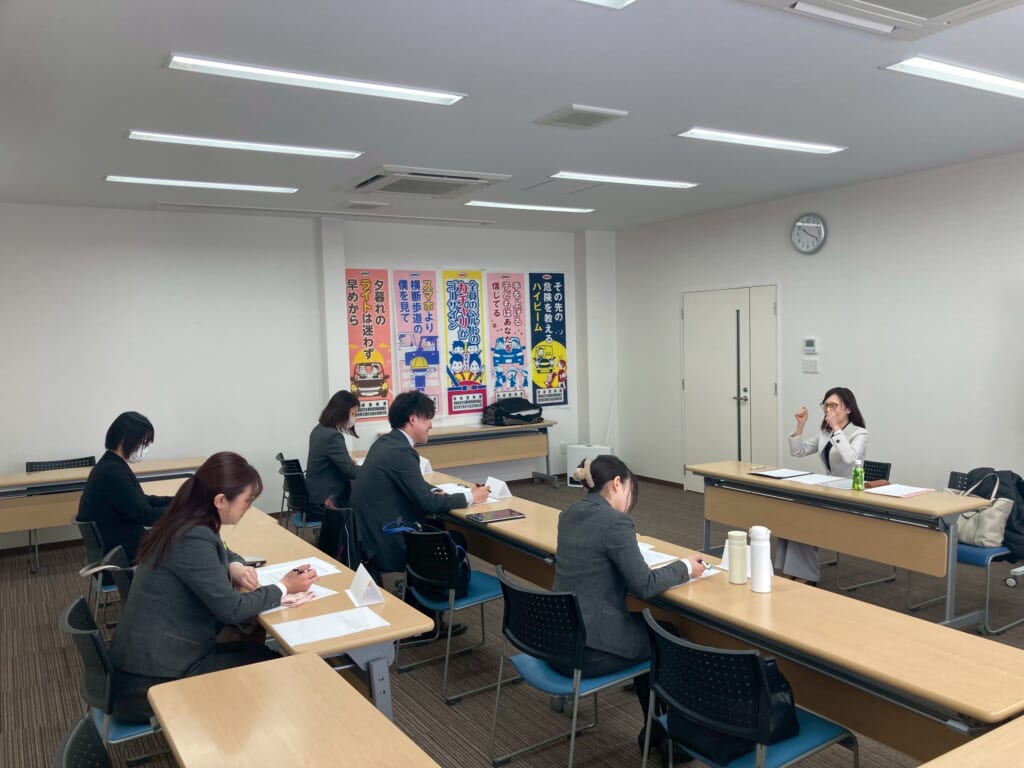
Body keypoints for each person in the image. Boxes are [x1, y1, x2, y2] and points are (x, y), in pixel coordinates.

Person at [108, 452, 318, 723]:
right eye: (247, 501)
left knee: (254, 646)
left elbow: (222, 551)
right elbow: (232, 609)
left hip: (149, 660)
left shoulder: (187, 520)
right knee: (271, 663)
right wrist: (284, 586)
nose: (249, 507)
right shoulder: (193, 536)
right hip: (151, 682)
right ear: (220, 500)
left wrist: (235, 566)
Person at [551, 454, 706, 762]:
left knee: (647, 631)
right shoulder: (616, 522)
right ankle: (666, 736)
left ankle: (655, 729)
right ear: (617, 483)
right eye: (629, 489)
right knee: (665, 634)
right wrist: (686, 567)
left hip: (557, 640)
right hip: (588, 650)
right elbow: (644, 585)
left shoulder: (569, 513)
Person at [350, 391, 488, 579]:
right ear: (413, 419)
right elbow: (428, 504)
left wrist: (434, 489)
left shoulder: (385, 443)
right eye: (428, 419)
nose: (431, 425)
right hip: (389, 540)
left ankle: (421, 587)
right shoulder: (401, 452)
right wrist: (472, 496)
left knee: (439, 525)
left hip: (371, 535)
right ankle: (428, 589)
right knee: (456, 539)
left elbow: (413, 483)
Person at [775, 386, 869, 584]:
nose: (828, 410)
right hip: (828, 492)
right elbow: (798, 452)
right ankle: (792, 571)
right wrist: (800, 426)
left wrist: (837, 429)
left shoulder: (859, 433)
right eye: (826, 405)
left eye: (834, 405)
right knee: (792, 515)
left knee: (806, 520)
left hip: (849, 496)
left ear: (848, 409)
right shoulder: (825, 433)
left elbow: (850, 457)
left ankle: (805, 575)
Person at [78, 411, 172, 563]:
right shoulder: (112, 472)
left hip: (120, 543)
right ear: (124, 439)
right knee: (186, 548)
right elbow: (147, 516)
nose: (145, 449)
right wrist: (182, 509)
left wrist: (178, 500)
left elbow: (141, 501)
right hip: (122, 553)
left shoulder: (112, 464)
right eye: (143, 443)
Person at [306, 390, 360, 508]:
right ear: (342, 411)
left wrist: (347, 461)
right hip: (326, 500)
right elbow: (350, 471)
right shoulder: (333, 436)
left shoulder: (318, 429)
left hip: (316, 495)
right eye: (353, 413)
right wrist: (371, 470)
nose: (354, 418)